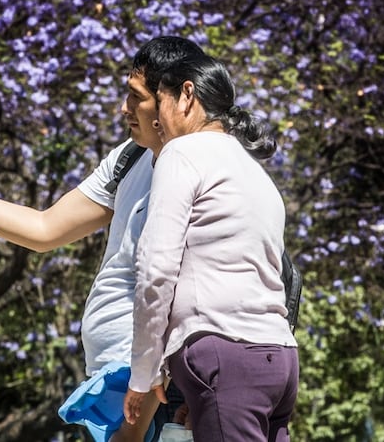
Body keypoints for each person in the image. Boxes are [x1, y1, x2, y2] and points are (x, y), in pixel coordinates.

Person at [0, 36, 205, 442]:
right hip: (117, 386)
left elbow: (173, 294)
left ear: (177, 98)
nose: (124, 108)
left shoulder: (199, 172)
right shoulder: (130, 157)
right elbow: (45, 229)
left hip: (155, 392)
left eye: (137, 97)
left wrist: (134, 426)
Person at [123, 54, 299, 441]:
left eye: (160, 102)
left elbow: (156, 271)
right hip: (279, 359)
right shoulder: (253, 169)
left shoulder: (182, 153)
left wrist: (144, 373)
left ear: (187, 95)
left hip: (225, 355)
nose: (157, 121)